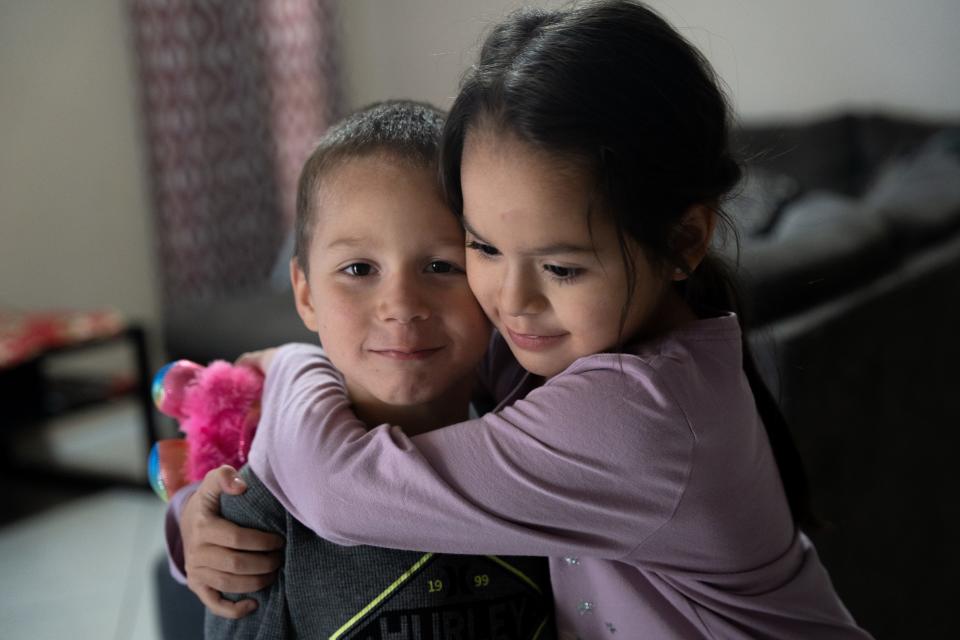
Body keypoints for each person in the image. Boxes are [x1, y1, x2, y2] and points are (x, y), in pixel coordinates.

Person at [177, 2, 875, 638]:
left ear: (684, 241)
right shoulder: (576, 343)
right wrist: (190, 525)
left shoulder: (640, 416)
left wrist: (298, 360)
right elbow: (392, 383)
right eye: (480, 246)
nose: (510, 301)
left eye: (562, 266)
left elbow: (336, 487)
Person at [168, 100, 556, 639]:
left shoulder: (545, 455)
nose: (400, 303)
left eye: (442, 266)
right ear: (305, 292)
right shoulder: (259, 512)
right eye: (358, 269)